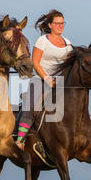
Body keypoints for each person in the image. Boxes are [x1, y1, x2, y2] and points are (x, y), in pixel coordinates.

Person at [16, 9, 73, 149]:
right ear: (49, 25)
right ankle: (20, 139)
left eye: (62, 23)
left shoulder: (67, 43)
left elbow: (67, 66)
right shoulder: (42, 40)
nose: (61, 26)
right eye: (57, 23)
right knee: (30, 107)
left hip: (59, 82)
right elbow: (35, 62)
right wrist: (47, 79)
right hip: (40, 79)